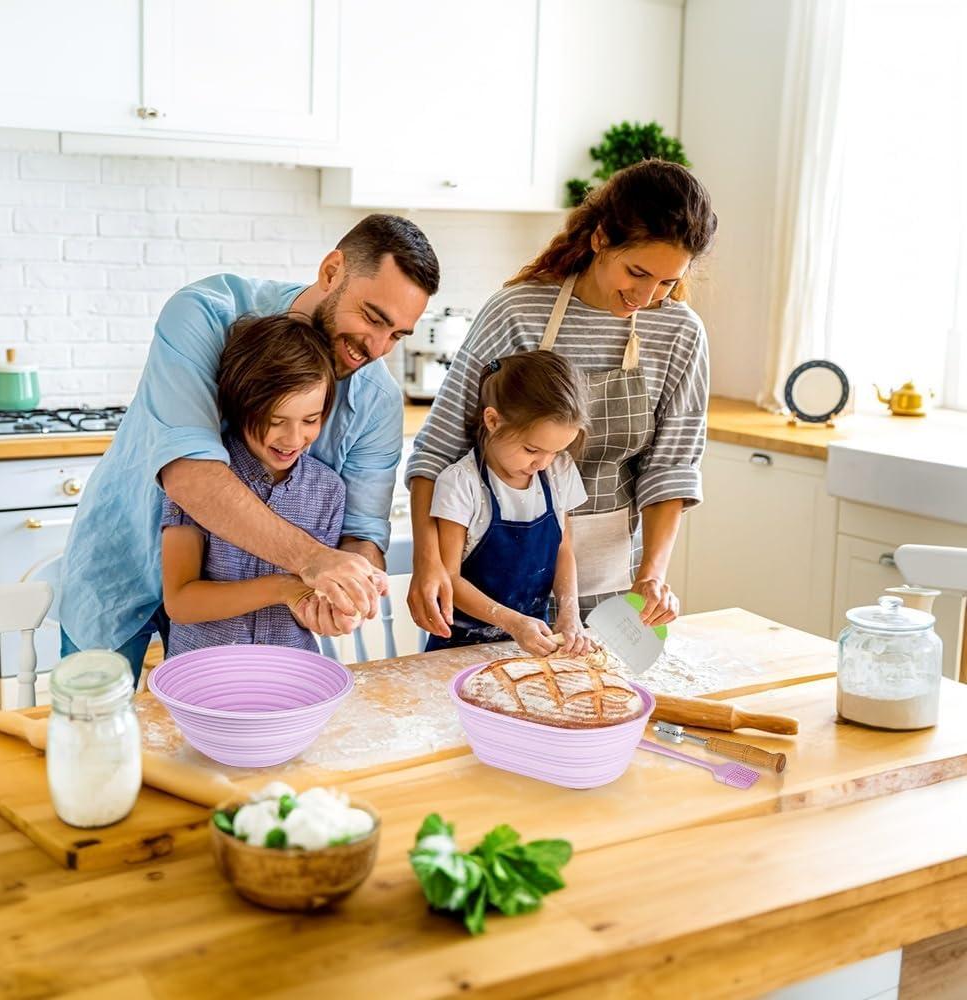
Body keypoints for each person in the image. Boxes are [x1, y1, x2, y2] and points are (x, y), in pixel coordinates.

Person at [59, 214, 440, 675]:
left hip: (250, 629)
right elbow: (191, 476)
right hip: (124, 568)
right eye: (372, 318)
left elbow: (361, 534)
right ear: (332, 270)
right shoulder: (204, 314)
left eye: (397, 335)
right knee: (92, 735)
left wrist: (342, 593)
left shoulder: (377, 400)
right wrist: (312, 561)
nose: (378, 348)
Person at [406, 160, 717, 641]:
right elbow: (438, 449)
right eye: (636, 272)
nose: (646, 295)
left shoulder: (679, 332)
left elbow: (670, 467)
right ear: (600, 238)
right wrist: (429, 563)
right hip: (497, 593)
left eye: (667, 282)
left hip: (616, 586)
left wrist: (651, 576)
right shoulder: (517, 311)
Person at [161, 314, 342, 661]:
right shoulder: (200, 479)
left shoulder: (328, 490)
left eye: (310, 420)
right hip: (204, 675)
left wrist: (330, 612)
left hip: (290, 673)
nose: (293, 439)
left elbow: (316, 600)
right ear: (241, 406)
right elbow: (180, 602)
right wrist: (283, 590)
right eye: (275, 421)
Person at [426, 350, 592, 657]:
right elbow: (449, 578)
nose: (543, 463)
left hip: (530, 645)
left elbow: (563, 549)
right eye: (532, 449)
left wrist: (570, 612)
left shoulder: (559, 471)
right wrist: (513, 623)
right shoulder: (461, 484)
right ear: (492, 420)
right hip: (459, 647)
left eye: (555, 451)